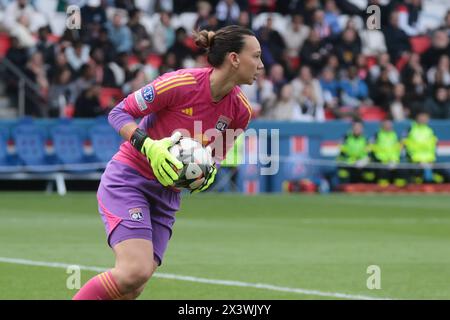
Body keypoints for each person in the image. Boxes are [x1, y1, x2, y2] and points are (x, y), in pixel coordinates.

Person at [72, 25, 264, 300]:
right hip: (129, 180)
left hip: (167, 196)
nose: (261, 65)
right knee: (133, 272)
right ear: (234, 58)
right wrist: (148, 146)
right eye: (255, 56)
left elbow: (217, 154)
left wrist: (208, 172)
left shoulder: (241, 111)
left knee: (132, 288)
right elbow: (118, 112)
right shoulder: (181, 84)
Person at [403, 112, 447, 184]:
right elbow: (408, 147)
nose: (424, 120)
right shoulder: (411, 129)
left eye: (425, 118)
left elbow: (433, 146)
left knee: (444, 173)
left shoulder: (430, 130)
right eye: (422, 118)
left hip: (430, 160)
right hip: (416, 161)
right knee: (416, 175)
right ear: (417, 119)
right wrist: (416, 160)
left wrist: (432, 160)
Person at [370, 119, 405, 187]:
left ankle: (399, 190)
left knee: (402, 171)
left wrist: (395, 160)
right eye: (386, 125)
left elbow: (400, 148)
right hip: (381, 160)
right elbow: (371, 147)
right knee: (382, 172)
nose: (388, 126)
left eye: (390, 125)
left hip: (394, 160)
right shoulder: (377, 135)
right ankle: (383, 189)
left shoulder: (395, 135)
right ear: (382, 126)